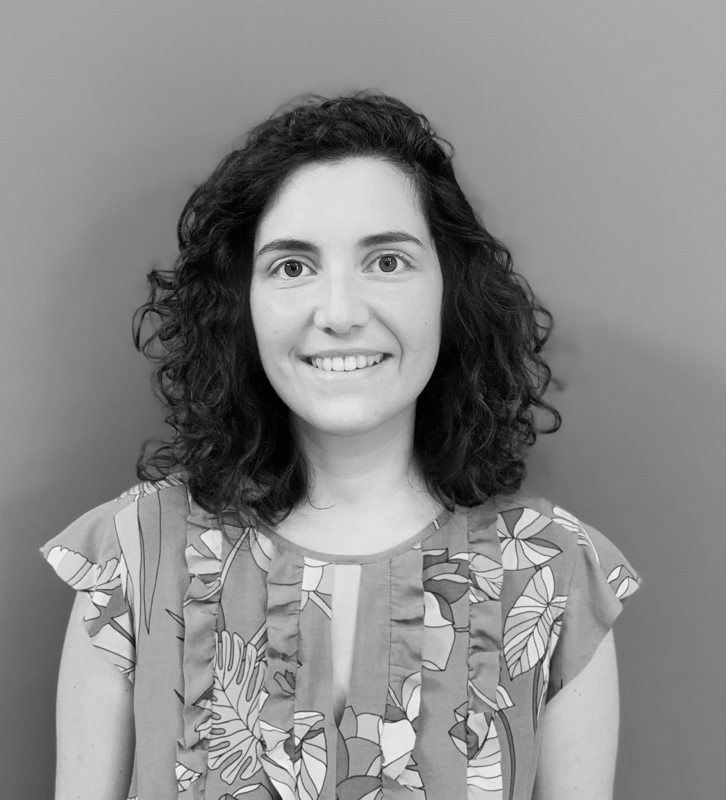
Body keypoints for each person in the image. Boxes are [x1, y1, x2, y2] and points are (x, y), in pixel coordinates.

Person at [41, 91, 641, 800]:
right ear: (242, 304)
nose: (340, 313)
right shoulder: (130, 558)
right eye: (293, 267)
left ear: (449, 290)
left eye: (386, 261)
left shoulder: (558, 577)